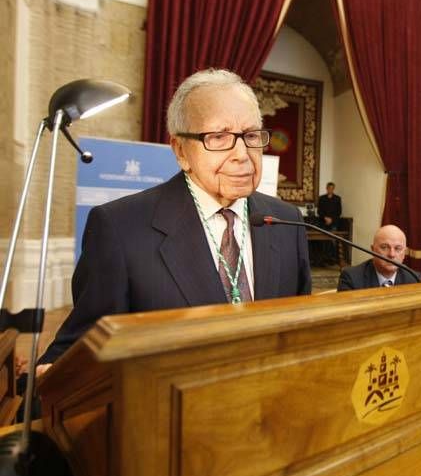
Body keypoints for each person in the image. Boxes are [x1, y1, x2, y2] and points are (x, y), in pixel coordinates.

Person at [37, 69, 312, 372]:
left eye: (250, 135)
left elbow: (301, 334)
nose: (242, 154)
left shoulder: (287, 221)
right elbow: (79, 350)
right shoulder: (119, 229)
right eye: (218, 137)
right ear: (181, 151)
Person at [337, 225, 421, 290]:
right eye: (384, 247)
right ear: (373, 250)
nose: (391, 254)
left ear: (404, 254)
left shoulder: (413, 278)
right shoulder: (351, 278)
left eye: (398, 248)